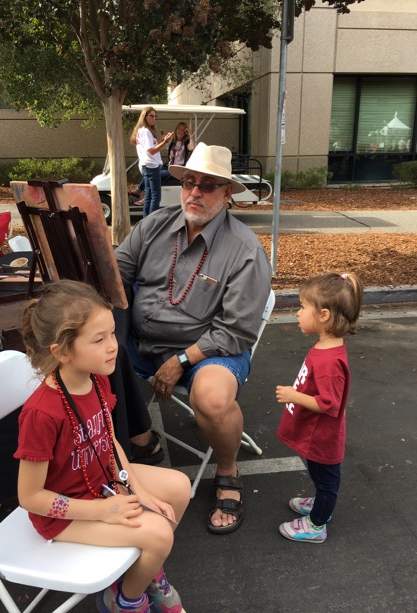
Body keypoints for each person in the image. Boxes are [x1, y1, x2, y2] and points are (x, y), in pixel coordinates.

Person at [116, 143, 273, 535]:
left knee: (213, 399)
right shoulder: (154, 225)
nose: (195, 193)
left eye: (208, 185)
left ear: (227, 193)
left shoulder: (244, 250)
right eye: (189, 183)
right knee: (86, 358)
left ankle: (227, 472)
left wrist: (181, 360)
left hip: (209, 349)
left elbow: (235, 331)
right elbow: (116, 271)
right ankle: (143, 441)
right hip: (142, 343)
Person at [14, 279, 190, 613]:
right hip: (64, 512)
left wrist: (135, 487)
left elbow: (108, 440)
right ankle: (126, 600)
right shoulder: (41, 413)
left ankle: (145, 572)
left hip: (102, 484)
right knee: (159, 534)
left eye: (112, 333)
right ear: (62, 351)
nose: (113, 346)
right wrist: (102, 511)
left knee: (179, 487)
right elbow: (30, 498)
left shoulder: (97, 377)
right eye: (99, 339)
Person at [275, 272, 363, 544]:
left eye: (302, 308)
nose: (297, 313)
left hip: (322, 437)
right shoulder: (326, 347)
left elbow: (328, 404)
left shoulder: (328, 363)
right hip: (318, 434)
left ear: (323, 315)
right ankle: (320, 504)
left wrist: (294, 395)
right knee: (320, 476)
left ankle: (317, 524)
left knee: (326, 482)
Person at [130, 106, 173, 218]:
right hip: (151, 166)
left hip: (148, 166)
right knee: (156, 196)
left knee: (149, 195)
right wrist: (165, 142)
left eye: (155, 116)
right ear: (145, 116)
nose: (154, 118)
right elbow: (151, 151)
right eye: (151, 116)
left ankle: (146, 222)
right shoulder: (145, 131)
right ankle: (151, 222)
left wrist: (162, 142)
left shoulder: (143, 131)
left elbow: (152, 148)